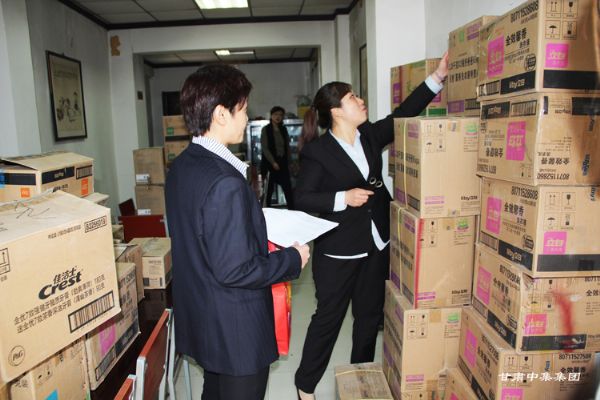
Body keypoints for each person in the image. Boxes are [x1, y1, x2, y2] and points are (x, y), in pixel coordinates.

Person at [294, 54, 449, 399]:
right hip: (338, 251)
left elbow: (402, 114)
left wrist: (437, 78)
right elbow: (302, 198)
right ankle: (305, 386)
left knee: (368, 319)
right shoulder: (318, 152)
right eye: (352, 97)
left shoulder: (368, 136)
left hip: (377, 243)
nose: (360, 100)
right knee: (328, 320)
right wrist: (342, 197)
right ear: (336, 111)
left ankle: (359, 378)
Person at [165, 64, 310, 400]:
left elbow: (203, 240)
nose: (246, 118)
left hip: (205, 318)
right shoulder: (225, 182)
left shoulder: (182, 166)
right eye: (243, 109)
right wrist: (292, 259)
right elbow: (236, 269)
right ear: (221, 114)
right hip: (235, 329)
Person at [260, 106, 294, 209]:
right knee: (269, 190)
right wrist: (273, 162)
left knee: (288, 188)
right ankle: (266, 211)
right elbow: (265, 148)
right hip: (270, 163)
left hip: (282, 161)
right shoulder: (266, 129)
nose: (278, 117)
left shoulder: (283, 129)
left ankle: (292, 210)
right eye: (275, 114)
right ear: (271, 116)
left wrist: (290, 162)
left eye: (280, 115)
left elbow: (287, 147)